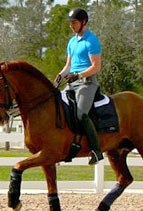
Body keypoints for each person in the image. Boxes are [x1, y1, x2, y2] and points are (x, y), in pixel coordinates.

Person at [54, 7, 103, 165]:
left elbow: (96, 67)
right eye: (70, 23)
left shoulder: (91, 40)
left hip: (86, 83)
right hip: (71, 82)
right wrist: (60, 76)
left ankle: (96, 150)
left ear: (83, 22)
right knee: (58, 108)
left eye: (74, 22)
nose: (71, 25)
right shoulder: (72, 41)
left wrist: (79, 75)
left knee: (81, 114)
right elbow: (68, 65)